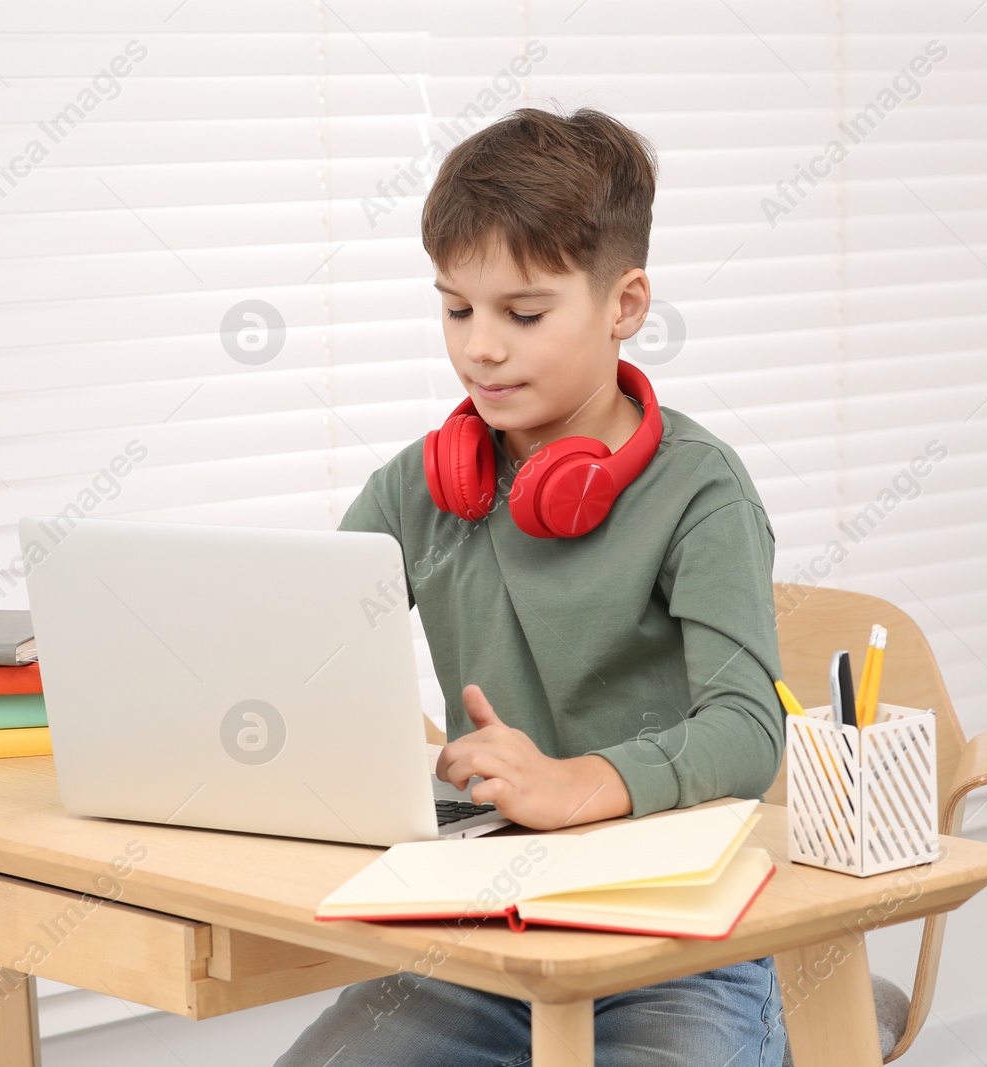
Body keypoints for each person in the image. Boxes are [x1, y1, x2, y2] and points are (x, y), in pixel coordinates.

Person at [276, 104, 787, 1067]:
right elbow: (316, 659)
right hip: (481, 936)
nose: (481, 347)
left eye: (523, 313)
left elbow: (748, 730)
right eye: (456, 308)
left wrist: (578, 783)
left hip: (676, 945)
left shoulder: (701, 491)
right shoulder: (419, 489)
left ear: (625, 304)